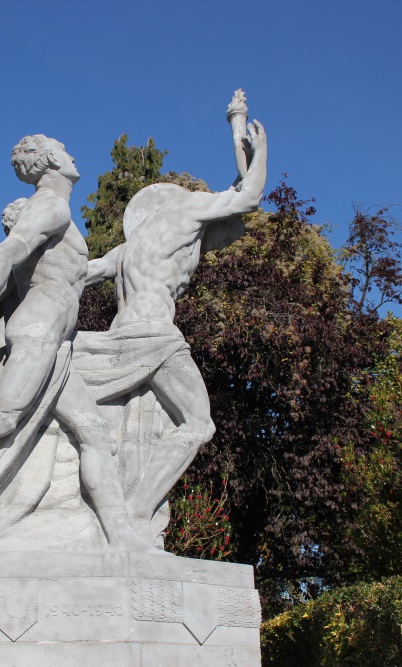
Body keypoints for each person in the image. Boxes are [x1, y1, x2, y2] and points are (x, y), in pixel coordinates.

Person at [0, 135, 150, 550]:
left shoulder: (60, 217)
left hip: (59, 343)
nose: (74, 154)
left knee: (93, 434)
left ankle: (122, 537)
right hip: (39, 333)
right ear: (52, 158)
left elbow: (78, 272)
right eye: (65, 148)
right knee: (1, 418)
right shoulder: (50, 205)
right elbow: (1, 259)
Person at [83, 116, 268, 531]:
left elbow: (76, 274)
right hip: (155, 334)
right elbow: (247, 196)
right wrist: (261, 150)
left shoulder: (128, 249)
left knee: (139, 428)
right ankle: (137, 511)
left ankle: (126, 508)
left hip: (121, 337)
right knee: (198, 423)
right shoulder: (184, 210)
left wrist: (235, 124)